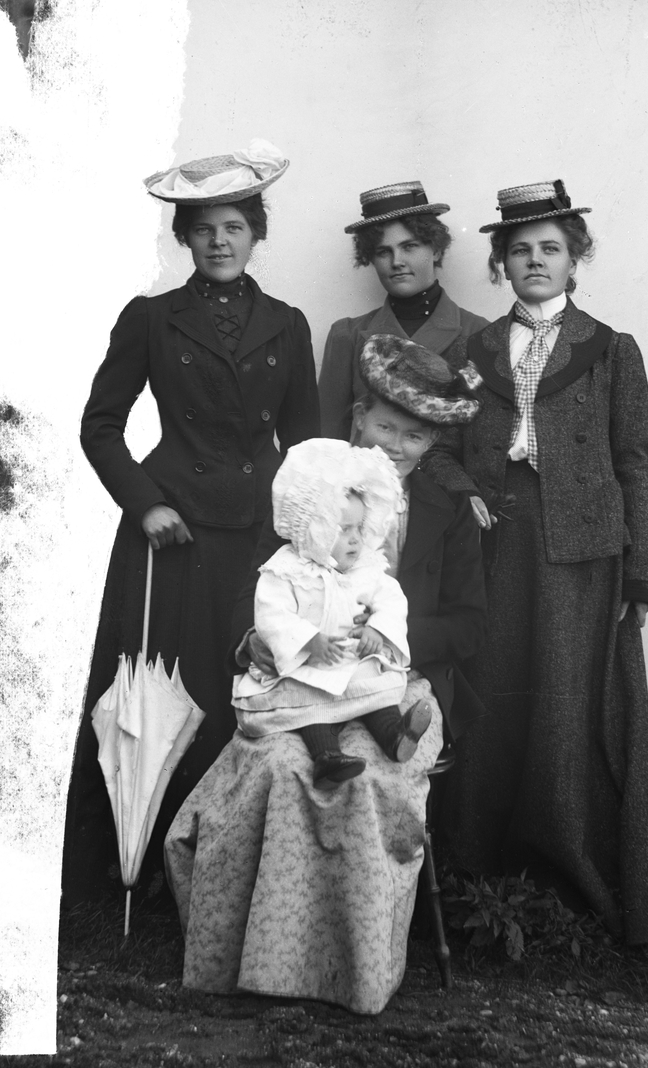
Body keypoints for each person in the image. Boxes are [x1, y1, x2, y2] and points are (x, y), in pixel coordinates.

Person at [165, 336, 486, 1014]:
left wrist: (380, 635)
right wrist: (257, 640)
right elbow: (256, 590)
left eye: (416, 435)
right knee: (285, 766)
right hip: (302, 678)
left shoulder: (448, 509)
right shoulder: (307, 491)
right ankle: (267, 964)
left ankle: (353, 969)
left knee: (365, 778)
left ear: (433, 441)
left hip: (399, 685)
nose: (397, 445)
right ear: (358, 417)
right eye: (386, 426)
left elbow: (469, 625)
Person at [422, 180, 648, 946]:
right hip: (494, 547)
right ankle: (481, 868)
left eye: (550, 248)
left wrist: (644, 574)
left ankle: (575, 873)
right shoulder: (472, 353)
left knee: (570, 704)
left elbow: (634, 465)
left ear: (576, 259)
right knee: (492, 696)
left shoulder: (609, 350)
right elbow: (438, 448)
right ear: (500, 264)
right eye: (519, 250)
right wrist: (465, 492)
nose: (534, 260)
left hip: (581, 553)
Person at [62, 140, 320, 905]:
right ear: (184, 237)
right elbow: (100, 425)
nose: (218, 241)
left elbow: (306, 446)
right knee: (160, 693)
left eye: (233, 226)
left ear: (255, 233)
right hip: (169, 536)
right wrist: (145, 503)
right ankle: (137, 863)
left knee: (248, 683)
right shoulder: (151, 319)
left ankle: (231, 867)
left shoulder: (288, 323)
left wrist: (302, 534)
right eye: (203, 228)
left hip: (258, 535)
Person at [234, 438, 434, 788]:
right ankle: (327, 759)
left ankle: (395, 737)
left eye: (359, 527)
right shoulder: (286, 570)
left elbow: (392, 599)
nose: (356, 539)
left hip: (351, 660)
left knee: (375, 688)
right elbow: (271, 615)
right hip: (307, 665)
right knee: (311, 705)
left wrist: (377, 628)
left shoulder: (366, 568)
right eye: (344, 530)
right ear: (312, 529)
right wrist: (308, 641)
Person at [318, 180, 488, 441]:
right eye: (383, 252)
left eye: (409, 247)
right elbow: (327, 440)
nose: (397, 262)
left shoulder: (479, 332)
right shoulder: (347, 335)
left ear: (436, 249)